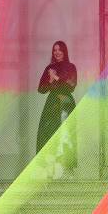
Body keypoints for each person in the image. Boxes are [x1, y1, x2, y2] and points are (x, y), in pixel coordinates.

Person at [36, 41, 78, 178]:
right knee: (47, 133)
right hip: (52, 104)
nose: (57, 52)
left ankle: (68, 169)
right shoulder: (50, 67)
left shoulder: (71, 67)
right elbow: (41, 89)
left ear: (64, 51)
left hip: (66, 104)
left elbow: (71, 85)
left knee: (66, 134)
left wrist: (56, 78)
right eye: (55, 50)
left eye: (60, 50)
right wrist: (49, 80)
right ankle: (50, 168)